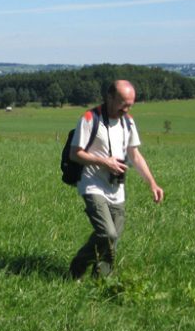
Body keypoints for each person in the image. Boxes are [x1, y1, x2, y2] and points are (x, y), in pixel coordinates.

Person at [67, 80, 164, 279]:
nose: (126, 109)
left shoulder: (128, 122)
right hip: (92, 184)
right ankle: (77, 266)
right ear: (109, 97)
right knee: (107, 234)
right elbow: (75, 154)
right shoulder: (89, 119)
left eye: (130, 104)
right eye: (123, 103)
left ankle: (100, 281)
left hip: (116, 188)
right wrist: (104, 162)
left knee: (113, 239)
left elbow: (135, 155)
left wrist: (152, 183)